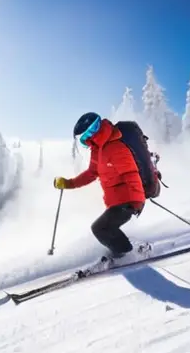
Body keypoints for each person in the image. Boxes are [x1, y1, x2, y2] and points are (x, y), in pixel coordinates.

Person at [53, 112, 147, 261]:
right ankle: (129, 249)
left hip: (129, 199)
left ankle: (125, 253)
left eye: (94, 129)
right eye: (86, 135)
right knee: (106, 228)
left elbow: (131, 173)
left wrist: (137, 200)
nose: (91, 135)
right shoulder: (98, 150)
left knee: (100, 228)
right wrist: (69, 183)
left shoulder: (115, 146)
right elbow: (91, 173)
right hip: (117, 201)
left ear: (100, 125)